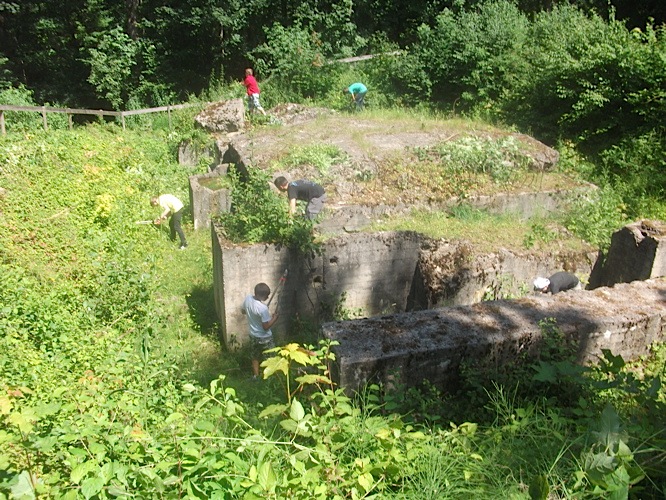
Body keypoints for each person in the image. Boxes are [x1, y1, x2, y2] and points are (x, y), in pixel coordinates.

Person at [242, 282, 279, 379]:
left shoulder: (248, 299)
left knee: (255, 356)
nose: (268, 297)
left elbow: (243, 311)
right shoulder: (263, 309)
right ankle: (271, 376)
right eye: (267, 296)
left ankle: (256, 375)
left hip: (253, 335)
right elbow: (266, 327)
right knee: (271, 357)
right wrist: (274, 318)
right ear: (262, 296)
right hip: (265, 337)